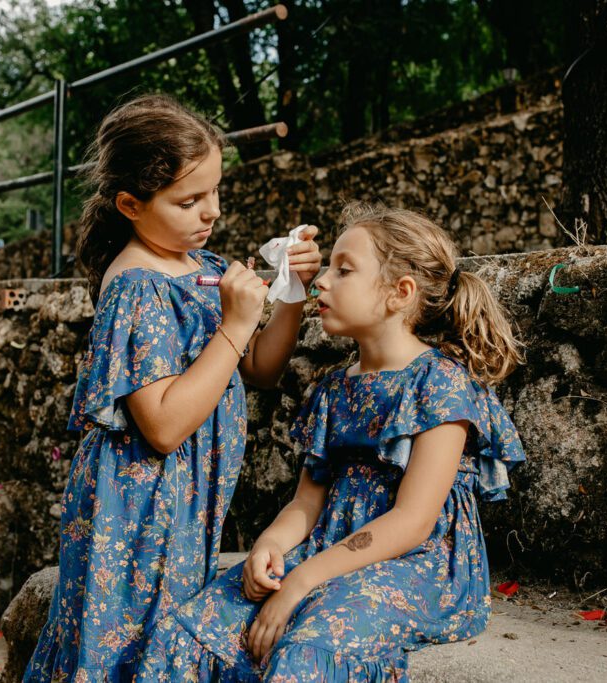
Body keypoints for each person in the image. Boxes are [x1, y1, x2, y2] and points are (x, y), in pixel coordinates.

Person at [136, 203, 526, 682]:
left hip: (417, 567)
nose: (321, 280)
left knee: (310, 646)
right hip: (329, 547)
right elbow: (306, 500)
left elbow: (412, 522)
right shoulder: (333, 389)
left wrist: (301, 580)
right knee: (194, 628)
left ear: (399, 293)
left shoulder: (439, 384)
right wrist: (270, 546)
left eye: (343, 271)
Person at [23, 94, 321, 682]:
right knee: (127, 645)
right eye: (188, 201)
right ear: (130, 204)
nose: (209, 212)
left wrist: (289, 292)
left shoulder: (201, 264)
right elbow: (161, 425)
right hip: (136, 510)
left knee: (161, 643)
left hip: (184, 503)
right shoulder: (135, 283)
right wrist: (236, 323)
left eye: (215, 192)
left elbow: (257, 369)